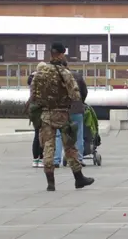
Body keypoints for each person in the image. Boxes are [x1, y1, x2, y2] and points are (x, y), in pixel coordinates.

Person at [32, 43, 94, 192]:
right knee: (70, 147)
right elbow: (76, 95)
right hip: (62, 115)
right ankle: (78, 178)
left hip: (45, 114)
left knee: (48, 147)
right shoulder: (65, 73)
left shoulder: (40, 72)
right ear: (60, 54)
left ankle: (50, 182)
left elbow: (33, 93)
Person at [54, 62, 88, 167]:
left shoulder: (55, 78)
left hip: (61, 110)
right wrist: (81, 102)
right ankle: (78, 159)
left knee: (59, 135)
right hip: (76, 109)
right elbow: (84, 91)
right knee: (78, 135)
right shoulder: (77, 76)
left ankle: (56, 160)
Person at [27, 64, 43, 168]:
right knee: (42, 135)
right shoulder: (41, 80)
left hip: (33, 110)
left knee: (36, 135)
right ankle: (41, 158)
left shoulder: (32, 79)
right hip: (40, 110)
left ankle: (35, 159)